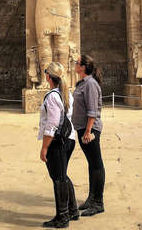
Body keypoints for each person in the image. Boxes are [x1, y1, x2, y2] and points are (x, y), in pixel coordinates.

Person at [38, 62, 79, 228]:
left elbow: (52, 124)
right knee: (62, 174)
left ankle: (62, 217)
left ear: (48, 76)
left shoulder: (53, 96)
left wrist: (44, 147)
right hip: (69, 138)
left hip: (58, 141)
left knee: (58, 178)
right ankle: (72, 210)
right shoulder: (66, 93)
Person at [72, 54, 105, 217]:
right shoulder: (82, 83)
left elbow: (92, 111)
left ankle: (98, 202)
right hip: (82, 128)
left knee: (96, 164)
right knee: (91, 164)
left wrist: (88, 131)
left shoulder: (90, 84)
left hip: (89, 129)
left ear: (83, 67)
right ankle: (91, 198)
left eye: (76, 63)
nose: (74, 65)